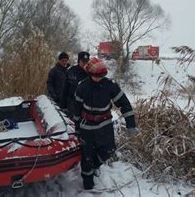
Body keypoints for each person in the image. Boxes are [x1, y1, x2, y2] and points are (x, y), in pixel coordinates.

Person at [73, 57, 139, 190]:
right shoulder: (82, 86)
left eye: (101, 76)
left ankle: (94, 166)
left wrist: (131, 125)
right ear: (90, 74)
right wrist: (77, 127)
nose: (99, 78)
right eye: (96, 76)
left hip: (104, 125)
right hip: (86, 126)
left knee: (108, 150)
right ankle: (88, 185)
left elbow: (125, 104)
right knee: (87, 156)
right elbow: (76, 108)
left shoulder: (110, 86)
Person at [60, 51, 90, 118]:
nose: (85, 63)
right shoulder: (71, 71)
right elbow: (64, 89)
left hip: (86, 105)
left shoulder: (91, 72)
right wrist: (63, 105)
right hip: (72, 103)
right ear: (79, 61)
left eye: (87, 61)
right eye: (83, 61)